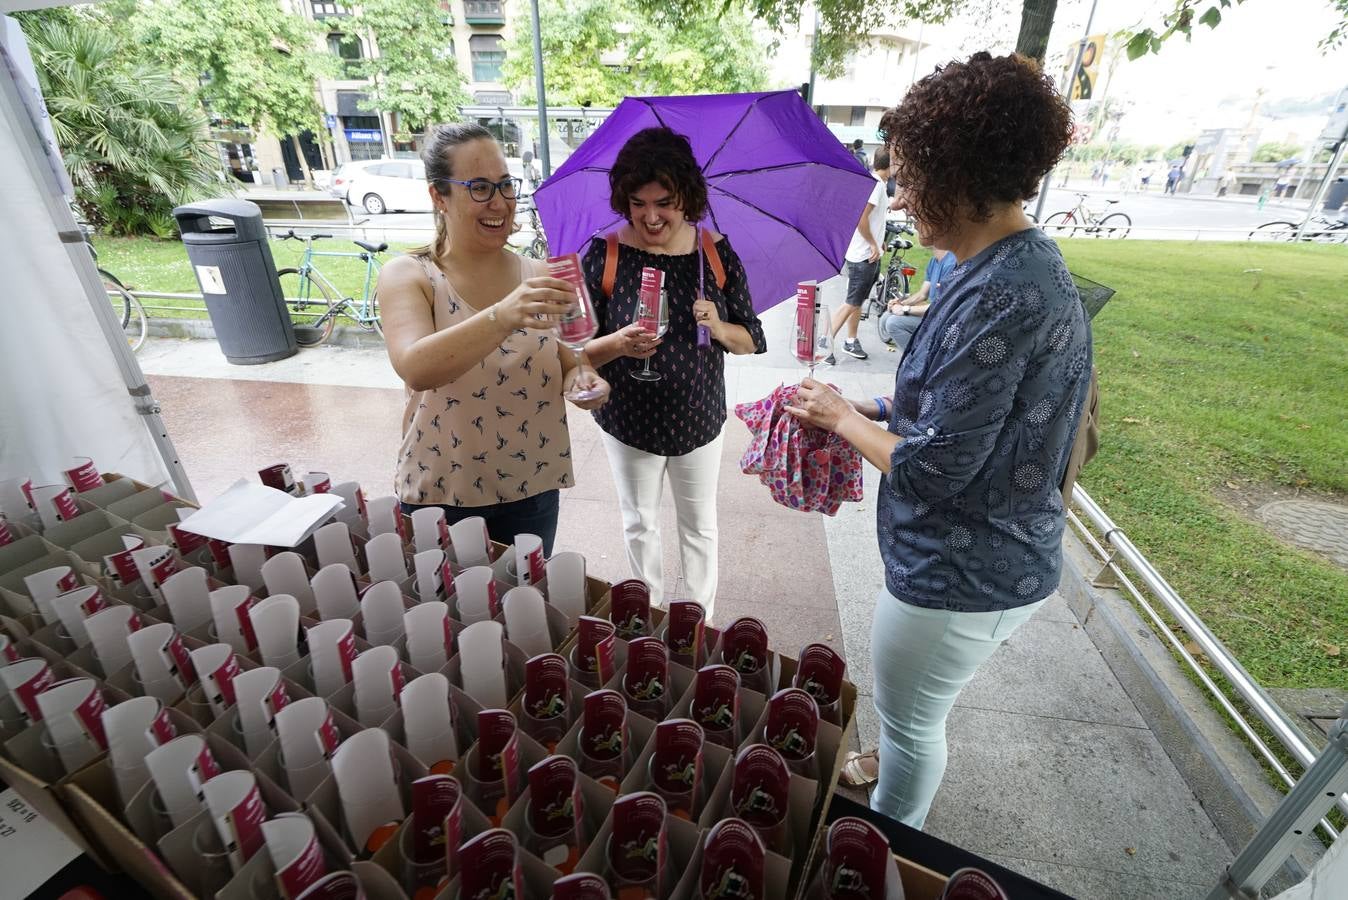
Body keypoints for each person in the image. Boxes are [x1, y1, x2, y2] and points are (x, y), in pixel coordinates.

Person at [785, 52, 1091, 829]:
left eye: (910, 179)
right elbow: (955, 403)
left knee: (914, 722)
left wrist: (841, 419)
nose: (898, 197)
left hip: (965, 568)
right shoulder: (999, 263)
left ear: (959, 178)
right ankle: (886, 767)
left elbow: (935, 468)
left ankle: (887, 846)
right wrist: (869, 404)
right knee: (913, 710)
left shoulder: (1003, 295)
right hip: (983, 553)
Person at [379, 123, 610, 557]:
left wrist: (586, 382)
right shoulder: (411, 274)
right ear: (438, 196)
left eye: (505, 185)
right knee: (442, 600)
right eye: (480, 188)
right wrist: (503, 315)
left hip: (532, 486)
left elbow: (568, 364)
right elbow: (415, 367)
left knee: (524, 595)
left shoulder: (540, 274)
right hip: (441, 490)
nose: (500, 202)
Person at [581, 127, 767, 622]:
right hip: (628, 420)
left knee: (699, 527)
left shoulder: (714, 253)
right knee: (639, 523)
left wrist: (719, 325)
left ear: (687, 196)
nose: (650, 217)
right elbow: (576, 351)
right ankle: (646, 618)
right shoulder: (606, 253)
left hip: (699, 418)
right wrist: (618, 345)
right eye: (637, 203)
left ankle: (697, 627)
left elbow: (751, 338)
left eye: (664, 203)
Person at [826, 148, 899, 363]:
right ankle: (823, 344)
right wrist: (873, 244)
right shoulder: (876, 185)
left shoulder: (875, 183)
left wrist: (879, 240)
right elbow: (861, 218)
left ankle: (851, 340)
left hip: (866, 253)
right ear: (891, 164)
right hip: (864, 256)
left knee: (858, 301)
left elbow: (872, 219)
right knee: (851, 301)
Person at [877, 247, 955, 352]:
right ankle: (918, 350)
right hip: (933, 314)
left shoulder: (951, 264)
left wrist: (905, 309)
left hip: (942, 320)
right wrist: (900, 303)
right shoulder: (934, 261)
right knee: (885, 318)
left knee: (893, 323)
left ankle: (917, 358)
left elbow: (941, 306)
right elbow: (922, 295)